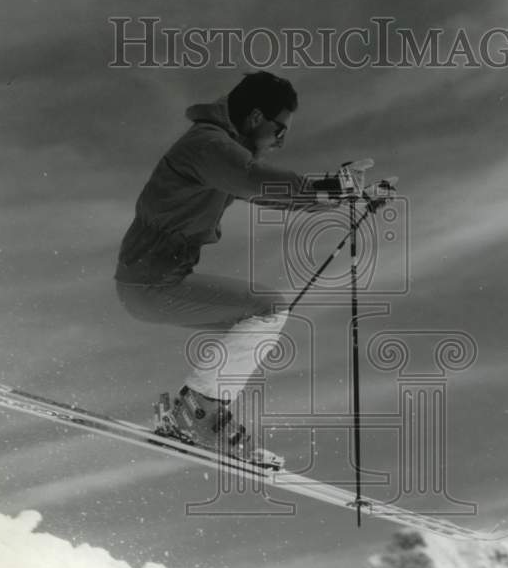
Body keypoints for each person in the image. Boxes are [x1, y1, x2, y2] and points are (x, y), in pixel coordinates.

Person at [114, 72, 391, 466]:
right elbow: (256, 182)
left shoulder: (218, 151)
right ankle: (196, 414)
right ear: (256, 116)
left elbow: (266, 193)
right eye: (279, 128)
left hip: (154, 282)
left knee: (260, 315)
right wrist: (333, 189)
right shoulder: (208, 146)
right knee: (268, 309)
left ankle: (194, 412)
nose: (281, 139)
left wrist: (347, 196)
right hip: (149, 284)